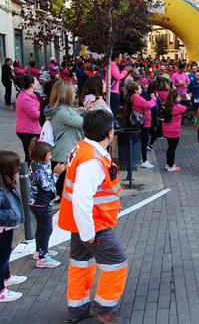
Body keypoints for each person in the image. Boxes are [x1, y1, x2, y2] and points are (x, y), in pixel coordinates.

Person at [58, 110, 126, 324]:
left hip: (81, 223)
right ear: (109, 133)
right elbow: (82, 198)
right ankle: (104, 308)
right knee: (116, 263)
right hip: (94, 225)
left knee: (81, 263)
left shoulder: (83, 148)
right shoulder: (93, 160)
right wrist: (88, 232)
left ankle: (77, 310)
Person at [28, 140, 66, 268]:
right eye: (50, 154)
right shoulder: (38, 169)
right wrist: (57, 173)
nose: (51, 156)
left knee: (41, 227)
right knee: (46, 229)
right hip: (41, 203)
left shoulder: (37, 164)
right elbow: (46, 186)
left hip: (39, 203)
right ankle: (43, 258)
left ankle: (39, 251)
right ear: (43, 155)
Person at [44, 80, 84, 198]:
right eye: (73, 92)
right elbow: (83, 122)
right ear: (65, 94)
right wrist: (93, 110)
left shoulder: (59, 109)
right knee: (66, 194)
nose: (75, 94)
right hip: (64, 156)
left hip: (62, 154)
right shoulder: (62, 112)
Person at [0, 151, 27, 303]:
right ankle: (1, 291)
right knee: (2, 257)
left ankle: (6, 276)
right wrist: (10, 216)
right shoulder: (1, 188)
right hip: (3, 227)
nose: (18, 168)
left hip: (7, 227)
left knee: (5, 254)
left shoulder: (7, 182)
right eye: (16, 165)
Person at [130, 83, 157, 169]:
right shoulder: (137, 97)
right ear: (136, 90)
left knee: (144, 141)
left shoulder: (136, 97)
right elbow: (148, 105)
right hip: (144, 123)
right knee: (144, 141)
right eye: (139, 88)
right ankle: (144, 160)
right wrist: (153, 99)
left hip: (144, 122)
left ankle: (143, 159)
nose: (141, 89)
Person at [15, 75, 42, 162]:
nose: (38, 81)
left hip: (30, 129)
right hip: (28, 131)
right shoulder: (25, 98)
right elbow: (35, 115)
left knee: (32, 155)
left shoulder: (30, 94)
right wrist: (42, 111)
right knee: (31, 156)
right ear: (31, 84)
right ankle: (27, 173)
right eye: (36, 80)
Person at [161, 91, 187, 172]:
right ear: (175, 98)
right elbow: (189, 107)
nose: (180, 98)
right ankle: (171, 166)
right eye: (178, 97)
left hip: (166, 129)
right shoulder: (178, 107)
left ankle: (168, 164)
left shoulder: (165, 103)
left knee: (170, 147)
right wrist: (188, 99)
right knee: (172, 148)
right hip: (174, 131)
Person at [110, 53, 131, 120]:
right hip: (113, 91)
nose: (121, 59)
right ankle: (112, 124)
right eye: (120, 57)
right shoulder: (113, 65)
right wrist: (125, 71)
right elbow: (118, 77)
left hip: (114, 90)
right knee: (114, 109)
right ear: (116, 58)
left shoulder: (114, 65)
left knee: (115, 108)